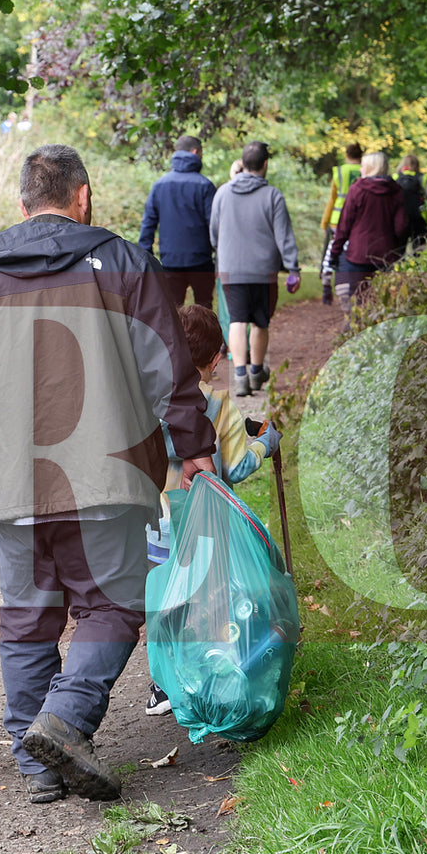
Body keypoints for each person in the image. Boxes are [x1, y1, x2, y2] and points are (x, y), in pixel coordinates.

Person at [0, 144, 216, 804]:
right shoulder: (120, 262)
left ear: (23, 203)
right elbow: (166, 367)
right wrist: (192, 444)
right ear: (81, 196)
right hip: (104, 473)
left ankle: (38, 763)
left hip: (10, 477)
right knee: (112, 605)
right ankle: (60, 725)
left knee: (28, 617)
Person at [144, 303, 280, 715]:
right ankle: (209, 671)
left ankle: (163, 685)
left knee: (165, 599)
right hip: (202, 524)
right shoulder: (219, 405)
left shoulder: (147, 396)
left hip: (154, 523)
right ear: (217, 357)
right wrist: (265, 441)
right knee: (207, 598)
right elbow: (235, 467)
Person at [209, 140, 301, 398]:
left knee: (237, 320)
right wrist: (293, 268)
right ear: (265, 164)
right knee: (260, 322)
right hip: (263, 271)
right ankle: (256, 372)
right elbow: (284, 236)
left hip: (231, 269)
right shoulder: (273, 196)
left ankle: (240, 377)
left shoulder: (222, 194)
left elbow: (214, 235)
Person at [138, 135, 217, 309]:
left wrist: (146, 257)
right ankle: (202, 338)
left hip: (170, 261)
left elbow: (148, 223)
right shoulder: (205, 185)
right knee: (204, 310)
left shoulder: (159, 185)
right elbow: (214, 226)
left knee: (172, 313)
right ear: (196, 152)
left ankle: (177, 338)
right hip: (201, 260)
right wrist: (218, 255)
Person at [328, 151, 408, 320]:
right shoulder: (396, 191)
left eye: (363, 165)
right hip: (386, 257)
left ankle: (358, 337)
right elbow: (401, 227)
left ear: (371, 167)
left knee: (359, 302)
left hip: (358, 256)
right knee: (382, 302)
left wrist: (335, 253)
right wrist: (397, 250)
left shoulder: (357, 189)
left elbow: (344, 225)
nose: (361, 169)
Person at [318, 143, 364, 306]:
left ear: (346, 155)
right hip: (359, 219)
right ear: (361, 155)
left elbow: (332, 199)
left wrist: (325, 222)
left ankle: (327, 281)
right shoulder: (366, 171)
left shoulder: (339, 172)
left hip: (338, 218)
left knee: (334, 248)